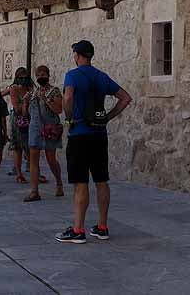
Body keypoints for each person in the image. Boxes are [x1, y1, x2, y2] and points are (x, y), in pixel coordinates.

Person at [56, 40, 132, 244]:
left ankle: (78, 229)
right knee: (101, 180)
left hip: (79, 134)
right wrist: (107, 117)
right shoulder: (101, 76)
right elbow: (125, 98)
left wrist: (69, 118)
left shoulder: (72, 75)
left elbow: (68, 97)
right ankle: (102, 226)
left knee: (81, 182)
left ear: (77, 55)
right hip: (99, 134)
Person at [23, 65, 64, 202]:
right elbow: (26, 114)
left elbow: (59, 109)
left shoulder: (54, 91)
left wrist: (46, 99)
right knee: (33, 160)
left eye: (43, 74)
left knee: (51, 159)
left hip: (49, 129)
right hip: (35, 129)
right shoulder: (33, 93)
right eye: (38, 75)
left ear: (48, 75)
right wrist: (25, 102)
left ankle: (59, 182)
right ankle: (34, 191)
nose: (41, 77)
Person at [3, 68, 32, 183]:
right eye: (21, 78)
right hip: (18, 120)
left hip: (29, 119)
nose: (23, 80)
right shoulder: (14, 88)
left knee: (30, 146)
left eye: (25, 77)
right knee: (18, 147)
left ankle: (33, 170)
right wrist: (25, 102)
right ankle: (19, 173)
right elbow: (17, 108)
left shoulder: (29, 88)